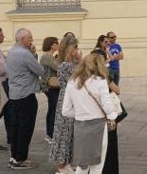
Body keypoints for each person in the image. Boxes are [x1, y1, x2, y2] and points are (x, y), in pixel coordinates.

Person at [62, 53, 118, 174]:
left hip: (80, 126)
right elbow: (108, 107)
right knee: (97, 165)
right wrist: (113, 115)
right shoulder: (100, 81)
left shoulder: (72, 82)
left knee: (82, 164)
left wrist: (80, 114)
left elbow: (65, 110)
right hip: (98, 126)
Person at [6, 28, 44, 170]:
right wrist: (33, 54)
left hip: (14, 94)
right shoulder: (24, 53)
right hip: (26, 94)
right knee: (25, 128)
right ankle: (20, 159)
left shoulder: (12, 51)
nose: (32, 41)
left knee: (16, 127)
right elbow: (40, 70)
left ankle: (14, 156)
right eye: (30, 38)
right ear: (22, 39)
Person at [50, 34, 82, 174]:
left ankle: (66, 163)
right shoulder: (65, 65)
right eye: (75, 47)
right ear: (69, 49)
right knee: (63, 133)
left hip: (72, 101)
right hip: (67, 101)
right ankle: (61, 166)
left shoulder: (71, 64)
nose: (77, 50)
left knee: (70, 134)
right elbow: (80, 77)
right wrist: (80, 61)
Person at [40, 36, 61, 143]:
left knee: (52, 108)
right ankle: (51, 134)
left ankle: (50, 133)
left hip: (54, 85)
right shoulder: (46, 56)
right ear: (52, 44)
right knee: (54, 109)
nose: (58, 44)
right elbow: (58, 67)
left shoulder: (50, 56)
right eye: (56, 43)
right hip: (49, 86)